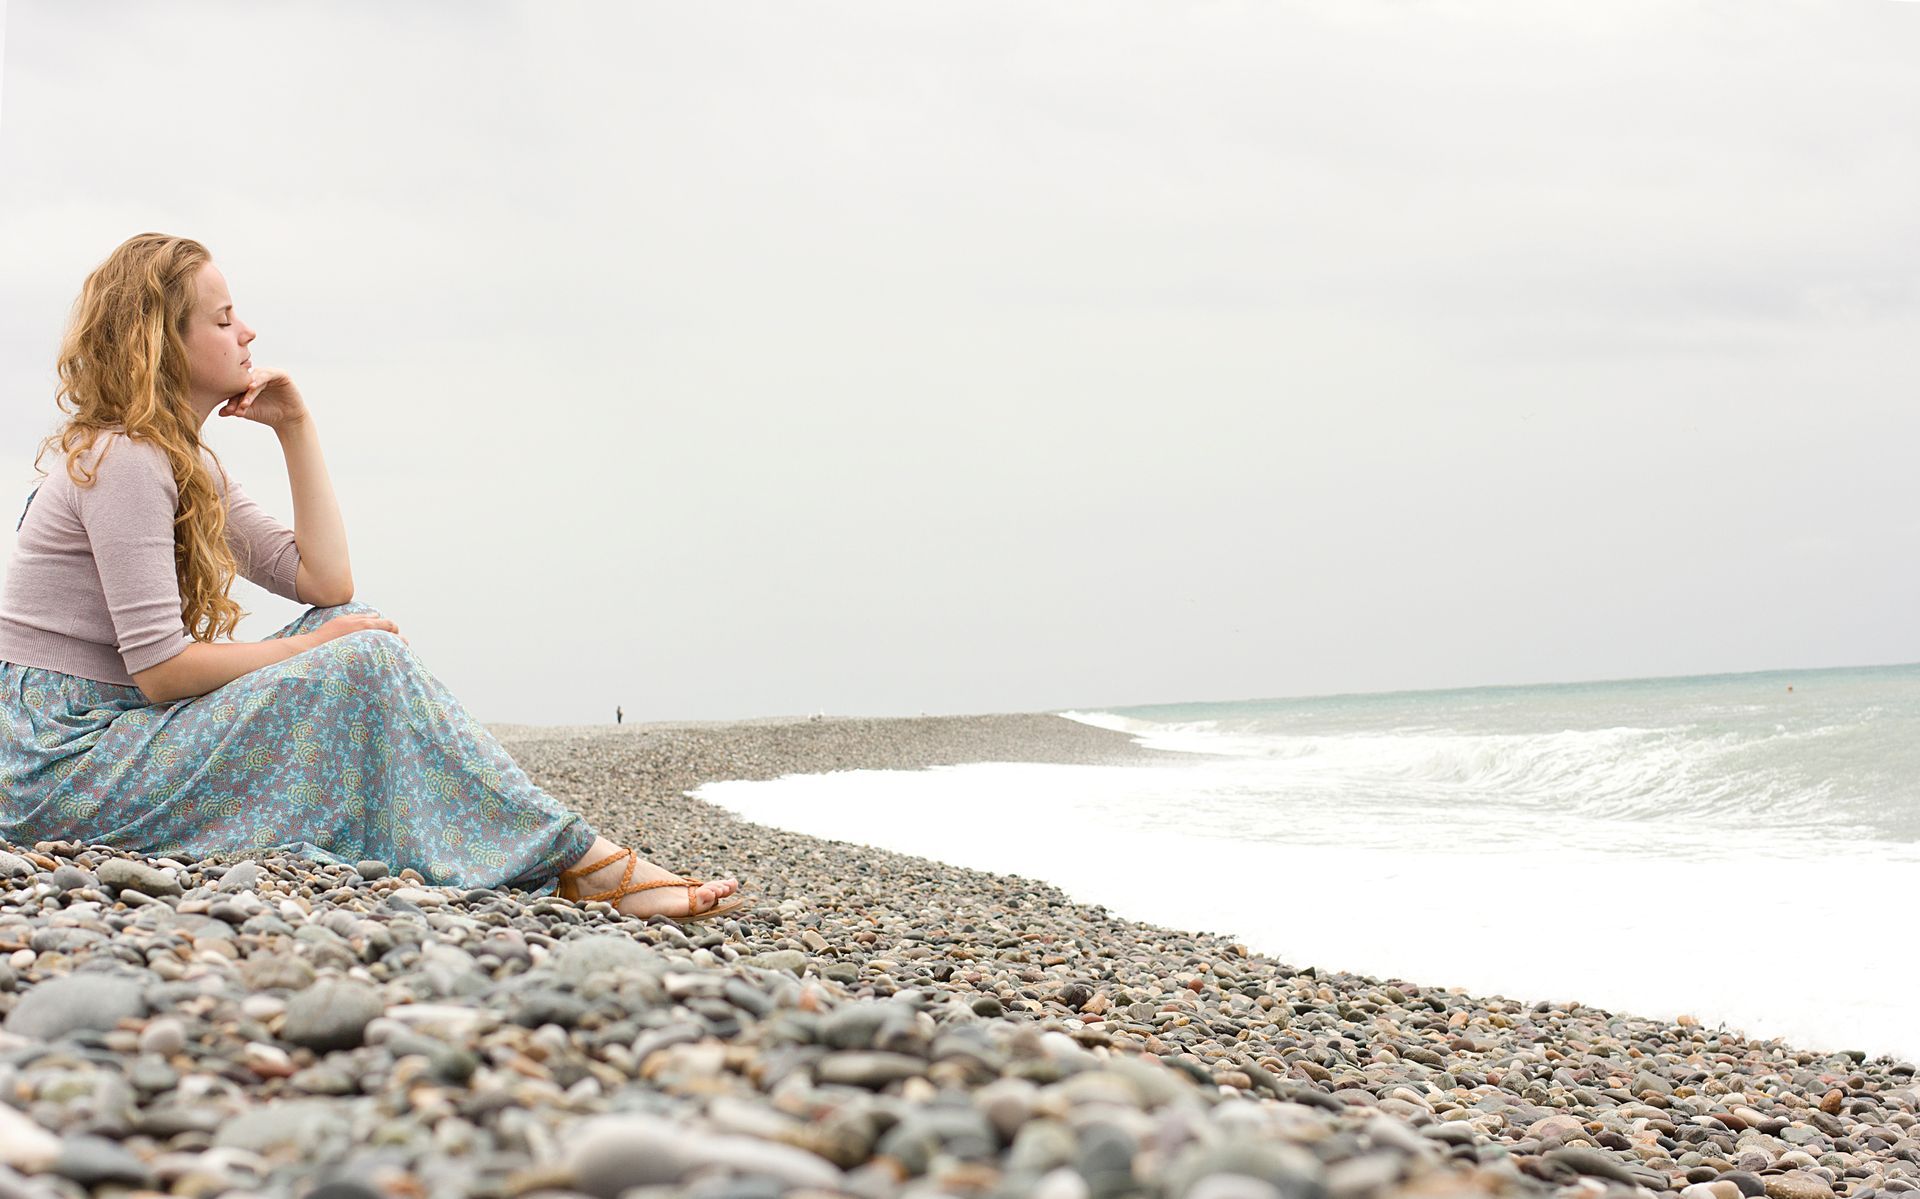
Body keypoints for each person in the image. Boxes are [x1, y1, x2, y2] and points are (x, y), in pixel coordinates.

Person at [0, 233, 744, 923]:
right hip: (57, 764)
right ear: (164, 339)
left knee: (351, 623)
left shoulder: (176, 459)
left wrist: (295, 426)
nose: (248, 333)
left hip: (109, 738)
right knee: (358, 649)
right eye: (224, 320)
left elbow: (325, 582)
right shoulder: (127, 458)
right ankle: (583, 861)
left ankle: (554, 855)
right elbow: (163, 670)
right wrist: (316, 648)